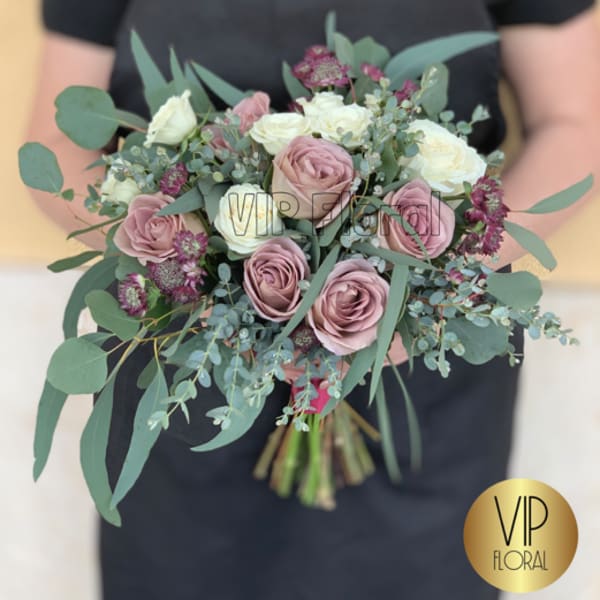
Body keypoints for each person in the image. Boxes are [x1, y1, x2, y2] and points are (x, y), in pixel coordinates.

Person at [27, 1, 600, 599]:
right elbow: (55, 141)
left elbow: (573, 126)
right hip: (187, 364)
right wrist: (186, 261)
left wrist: (430, 272)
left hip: (424, 356)